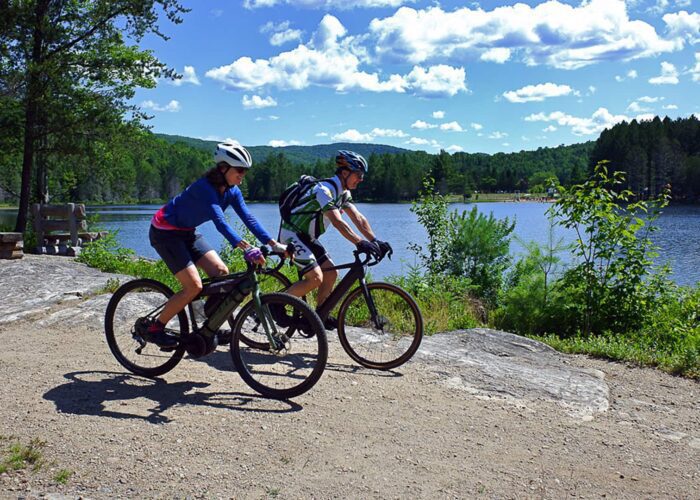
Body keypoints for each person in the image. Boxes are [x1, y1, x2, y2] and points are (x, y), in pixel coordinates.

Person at [146, 141, 283, 348]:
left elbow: (249, 218)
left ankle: (207, 325)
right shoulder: (205, 188)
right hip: (165, 233)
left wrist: (273, 244)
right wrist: (245, 248)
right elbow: (220, 223)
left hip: (187, 232)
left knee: (221, 272)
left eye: (245, 171)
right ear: (223, 168)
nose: (242, 175)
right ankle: (155, 328)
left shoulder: (233, 190)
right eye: (239, 170)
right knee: (193, 286)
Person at [278, 150, 391, 330]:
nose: (361, 179)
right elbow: (338, 221)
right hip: (291, 235)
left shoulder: (342, 193)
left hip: (307, 237)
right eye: (358, 175)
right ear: (345, 173)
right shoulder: (324, 190)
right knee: (315, 278)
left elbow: (358, 218)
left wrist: (376, 241)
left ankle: (318, 316)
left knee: (331, 274)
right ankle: (273, 304)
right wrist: (360, 243)